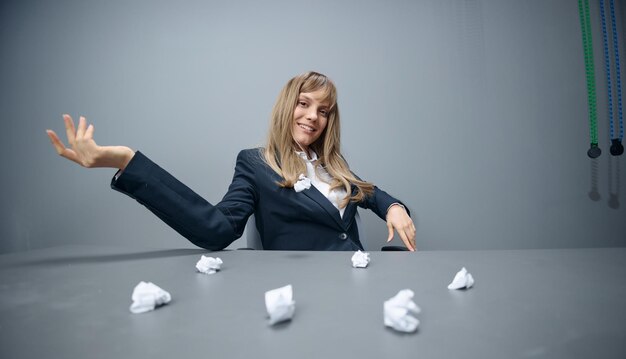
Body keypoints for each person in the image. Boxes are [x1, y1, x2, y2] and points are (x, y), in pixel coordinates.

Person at [46, 71, 416, 251]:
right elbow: (216, 228)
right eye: (304, 103)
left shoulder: (332, 166)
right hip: (305, 294)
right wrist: (125, 161)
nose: (312, 116)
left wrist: (394, 206)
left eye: (323, 110)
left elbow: (369, 193)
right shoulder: (255, 163)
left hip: (358, 284)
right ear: (288, 105)